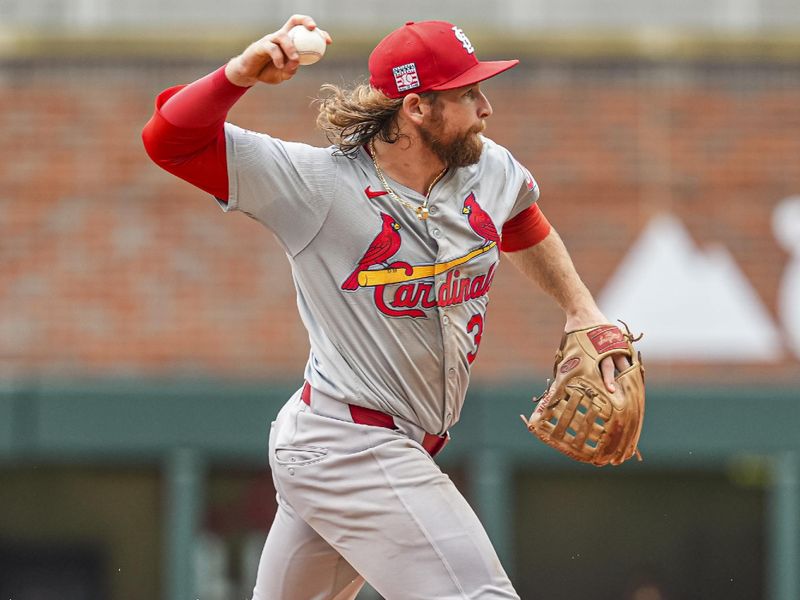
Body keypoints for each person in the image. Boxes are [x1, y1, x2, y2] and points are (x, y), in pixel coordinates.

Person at [142, 14, 628, 600]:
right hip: (353, 444)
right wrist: (240, 73)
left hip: (362, 448)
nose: (486, 107)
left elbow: (522, 220)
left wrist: (581, 309)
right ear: (417, 108)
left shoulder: (487, 167)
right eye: (468, 92)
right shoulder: (315, 186)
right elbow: (169, 141)